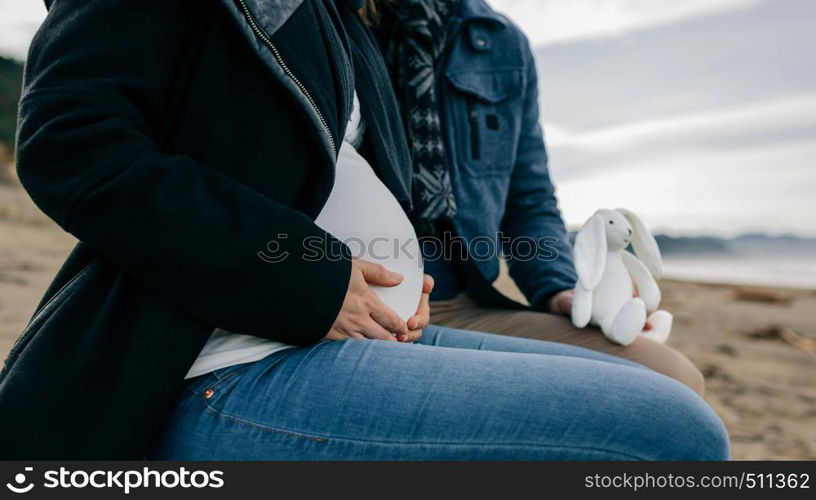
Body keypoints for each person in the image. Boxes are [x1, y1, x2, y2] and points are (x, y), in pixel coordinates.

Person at [1, 0, 728, 460]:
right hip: (233, 347)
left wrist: (550, 286)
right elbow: (73, 144)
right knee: (673, 428)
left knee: (671, 388)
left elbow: (504, 200)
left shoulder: (347, 26)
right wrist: (314, 276)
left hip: (381, 312)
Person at [370, 0, 705, 394]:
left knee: (672, 379)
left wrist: (559, 289)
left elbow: (529, 200)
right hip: (357, 301)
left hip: (458, 306)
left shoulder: (501, 42)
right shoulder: (327, 18)